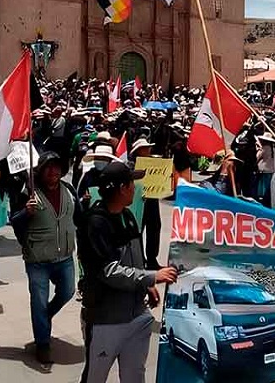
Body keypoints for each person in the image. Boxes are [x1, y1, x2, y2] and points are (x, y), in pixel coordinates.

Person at [77, 161, 178, 383]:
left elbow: (136, 256)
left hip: (137, 317)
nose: (135, 187)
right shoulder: (95, 223)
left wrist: (147, 285)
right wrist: (152, 276)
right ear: (122, 188)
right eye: (132, 182)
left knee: (135, 376)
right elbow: (108, 271)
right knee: (95, 377)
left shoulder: (128, 216)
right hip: (105, 319)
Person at [11, 152, 79, 365]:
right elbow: (14, 221)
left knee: (68, 291)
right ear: (41, 170)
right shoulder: (28, 193)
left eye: (57, 167)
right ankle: (42, 343)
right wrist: (25, 213)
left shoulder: (69, 190)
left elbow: (79, 217)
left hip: (65, 256)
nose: (53, 172)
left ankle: (44, 317)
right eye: (48, 167)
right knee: (38, 300)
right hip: (37, 260)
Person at [131, 137, 162, 270]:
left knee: (154, 228)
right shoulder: (131, 166)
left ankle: (152, 259)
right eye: (146, 148)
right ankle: (139, 258)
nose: (149, 150)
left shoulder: (153, 162)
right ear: (139, 151)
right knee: (137, 229)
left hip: (152, 199)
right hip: (138, 200)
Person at [255, 133, 275, 205]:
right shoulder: (273, 148)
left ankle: (262, 201)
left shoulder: (264, 148)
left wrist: (258, 148)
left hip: (264, 171)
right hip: (271, 170)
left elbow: (256, 158)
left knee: (262, 189)